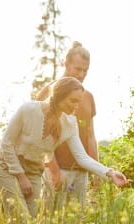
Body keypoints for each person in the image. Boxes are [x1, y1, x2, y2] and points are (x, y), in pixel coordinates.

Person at [0, 77, 127, 223]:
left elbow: (82, 157)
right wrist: (21, 176)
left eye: (78, 102)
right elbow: (6, 143)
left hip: (34, 171)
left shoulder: (69, 123)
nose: (76, 106)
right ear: (59, 96)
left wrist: (110, 172)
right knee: (20, 220)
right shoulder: (28, 110)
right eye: (73, 101)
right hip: (7, 166)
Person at [35, 41, 99, 209]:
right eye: (78, 69)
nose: (82, 74)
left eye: (85, 70)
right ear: (66, 64)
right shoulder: (48, 92)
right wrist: (54, 171)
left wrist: (97, 170)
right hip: (56, 170)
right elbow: (39, 135)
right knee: (49, 222)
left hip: (81, 171)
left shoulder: (88, 97)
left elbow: (90, 135)